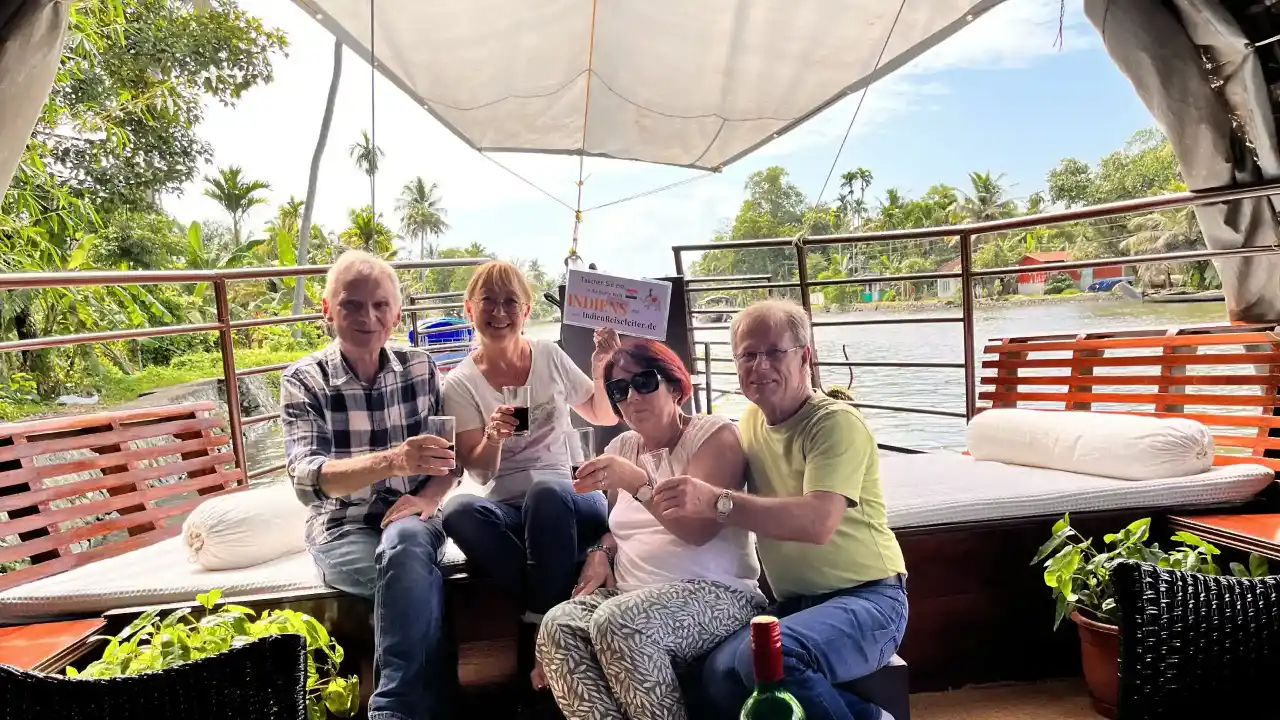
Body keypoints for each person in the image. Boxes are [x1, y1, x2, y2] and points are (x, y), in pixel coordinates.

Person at [655, 299, 908, 720]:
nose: (760, 366)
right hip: (798, 604)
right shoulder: (749, 422)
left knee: (772, 659)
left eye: (774, 352)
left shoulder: (834, 423)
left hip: (870, 601)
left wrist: (715, 501)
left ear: (805, 357)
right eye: (748, 355)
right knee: (719, 675)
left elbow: (817, 522)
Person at [535, 338, 765, 720]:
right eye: (618, 390)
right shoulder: (623, 446)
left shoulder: (713, 434)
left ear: (675, 386)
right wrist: (600, 551)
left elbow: (697, 531)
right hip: (632, 593)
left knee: (620, 622)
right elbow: (622, 527)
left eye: (643, 382)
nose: (631, 397)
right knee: (557, 625)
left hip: (718, 593)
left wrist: (637, 482)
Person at [281, 250, 458, 720]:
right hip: (341, 527)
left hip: (412, 516)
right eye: (352, 304)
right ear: (327, 309)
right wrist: (394, 460)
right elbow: (307, 480)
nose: (368, 317)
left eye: (380, 305)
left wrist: (427, 496)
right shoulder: (305, 379)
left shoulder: (420, 367)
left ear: (397, 314)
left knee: (406, 545)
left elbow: (449, 461)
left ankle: (392, 712)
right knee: (412, 581)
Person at [440, 260, 618, 632]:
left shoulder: (548, 355)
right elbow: (480, 473)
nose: (499, 312)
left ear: (526, 311)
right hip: (511, 509)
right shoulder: (460, 382)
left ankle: (538, 624)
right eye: (488, 300)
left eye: (511, 302)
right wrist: (493, 437)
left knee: (546, 492)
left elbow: (602, 414)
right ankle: (553, 604)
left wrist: (602, 368)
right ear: (469, 308)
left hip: (572, 495)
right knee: (457, 510)